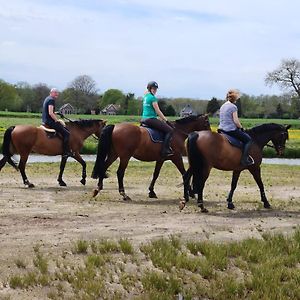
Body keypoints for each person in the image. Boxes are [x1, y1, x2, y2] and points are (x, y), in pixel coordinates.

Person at [219, 89, 254, 166]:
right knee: (248, 140)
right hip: (230, 130)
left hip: (221, 129)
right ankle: (244, 159)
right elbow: (236, 121)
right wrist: (241, 128)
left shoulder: (223, 106)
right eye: (236, 98)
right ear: (234, 98)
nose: (237, 100)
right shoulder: (233, 107)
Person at [141, 81, 174, 157]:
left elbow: (145, 93)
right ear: (149, 88)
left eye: (156, 89)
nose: (155, 90)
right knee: (170, 130)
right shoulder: (153, 98)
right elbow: (157, 110)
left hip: (143, 119)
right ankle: (165, 150)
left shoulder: (146, 96)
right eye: (153, 89)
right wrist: (166, 120)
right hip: (150, 119)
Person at [42, 88, 72, 158]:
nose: (57, 94)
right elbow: (50, 113)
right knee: (67, 133)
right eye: (55, 93)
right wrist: (57, 120)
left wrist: (57, 113)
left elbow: (49, 111)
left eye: (57, 93)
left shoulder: (47, 98)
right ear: (51, 92)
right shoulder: (51, 100)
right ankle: (65, 152)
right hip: (50, 122)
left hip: (45, 120)